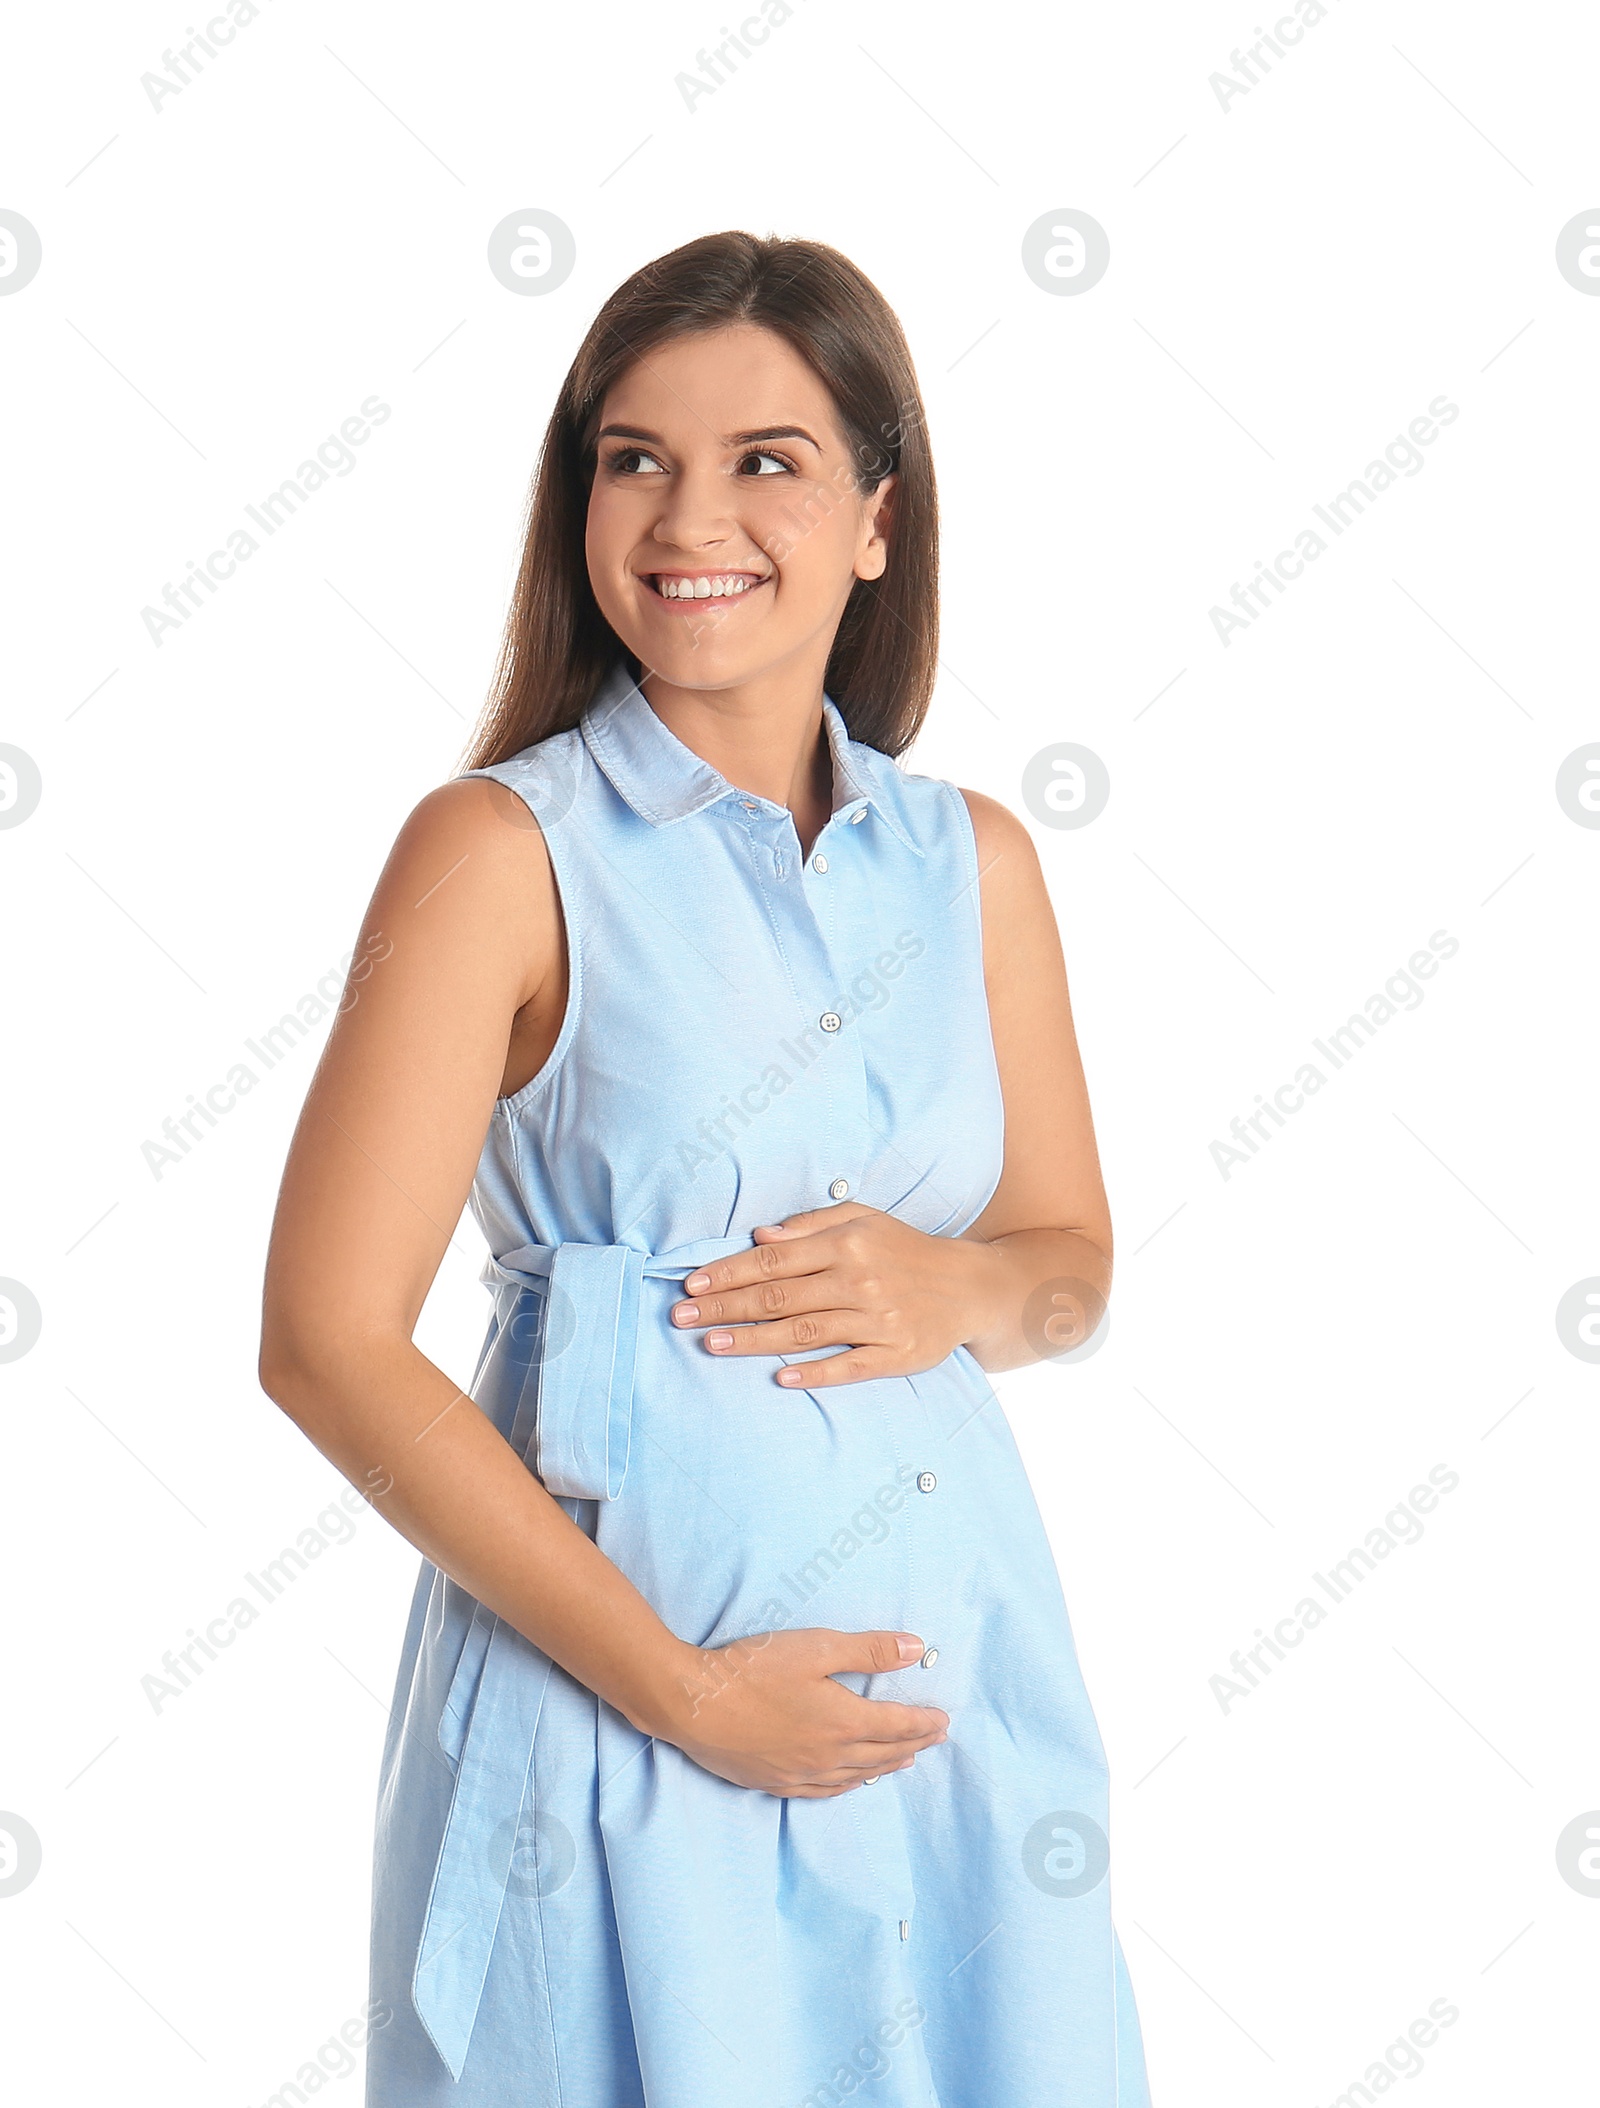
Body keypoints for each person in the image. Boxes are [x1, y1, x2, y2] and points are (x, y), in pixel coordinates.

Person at [260, 229, 1151, 2107]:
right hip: (624, 1718)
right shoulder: (500, 850)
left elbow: (1072, 1254)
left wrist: (963, 1288)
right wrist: (686, 1696)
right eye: (633, 456)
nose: (690, 515)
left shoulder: (969, 860)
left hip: (943, 1697)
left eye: (769, 461)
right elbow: (326, 1341)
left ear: (877, 521)